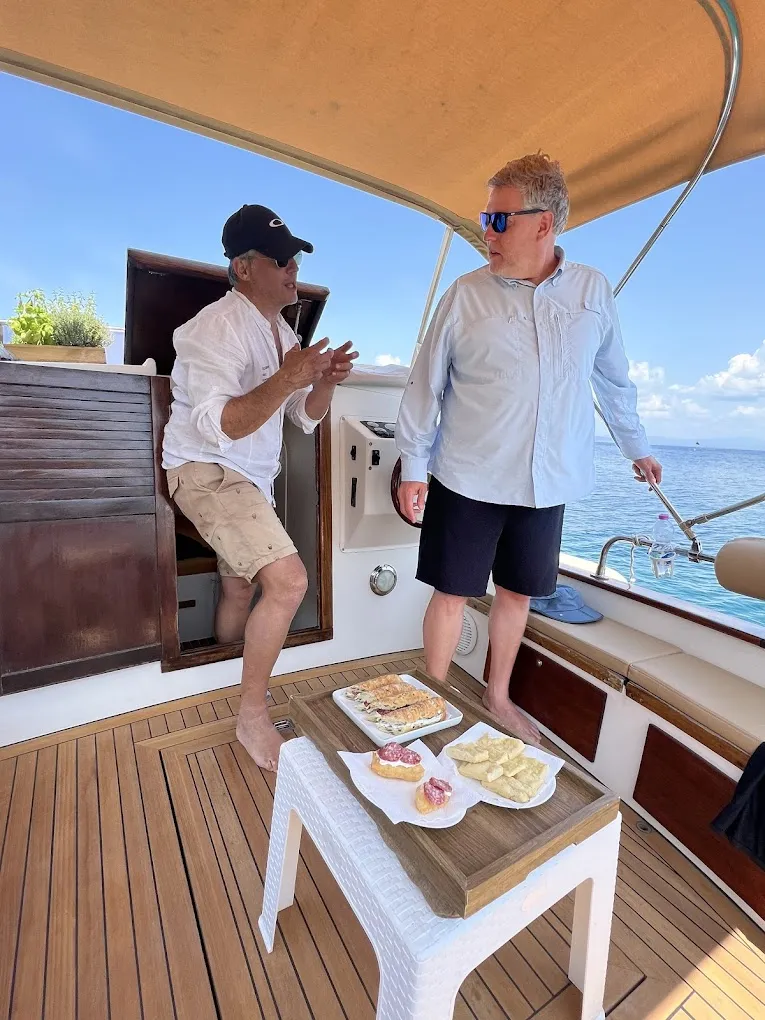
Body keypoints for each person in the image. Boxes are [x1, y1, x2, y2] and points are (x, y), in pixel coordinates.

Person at [395, 154, 661, 745]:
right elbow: (424, 385)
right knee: (451, 593)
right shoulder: (466, 294)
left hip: (548, 480)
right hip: (468, 473)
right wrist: (413, 466)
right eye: (484, 219)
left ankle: (497, 698)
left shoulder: (592, 291)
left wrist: (636, 448)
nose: (486, 233)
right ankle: (431, 705)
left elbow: (614, 380)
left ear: (544, 223)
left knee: (517, 592)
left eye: (498, 220)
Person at [163, 204, 357, 770]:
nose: (293, 269)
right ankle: (251, 715)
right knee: (289, 582)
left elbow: (302, 417)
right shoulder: (213, 327)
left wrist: (323, 383)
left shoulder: (282, 332)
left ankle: (230, 675)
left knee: (240, 590)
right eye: (281, 259)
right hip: (207, 470)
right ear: (244, 268)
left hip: (249, 479)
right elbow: (222, 424)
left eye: (295, 259)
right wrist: (289, 375)